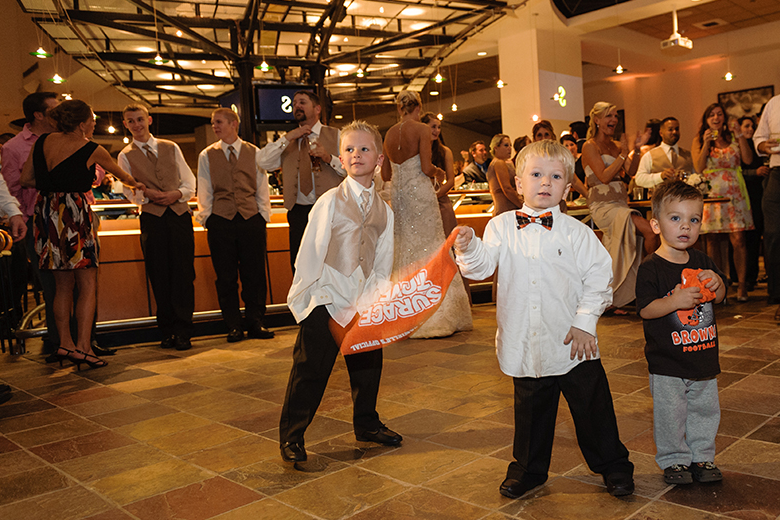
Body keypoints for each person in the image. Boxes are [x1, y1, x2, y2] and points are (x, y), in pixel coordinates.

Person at [454, 140, 634, 499]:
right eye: (536, 174)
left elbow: (600, 276)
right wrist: (467, 246)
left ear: (567, 188)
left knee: (592, 408)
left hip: (573, 341)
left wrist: (585, 322)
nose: (545, 182)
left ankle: (613, 465)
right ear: (519, 183)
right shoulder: (501, 226)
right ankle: (528, 470)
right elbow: (481, 268)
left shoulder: (577, 232)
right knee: (531, 411)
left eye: (555, 177)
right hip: (527, 339)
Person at [279, 120, 401, 463]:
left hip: (362, 301)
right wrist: (305, 298)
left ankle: (367, 423)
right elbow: (310, 252)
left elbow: (383, 259)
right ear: (341, 159)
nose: (356, 155)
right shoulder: (330, 202)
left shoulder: (385, 211)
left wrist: (376, 300)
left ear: (378, 159)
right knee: (310, 370)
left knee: (367, 367)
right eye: (349, 149)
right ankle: (292, 435)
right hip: (327, 296)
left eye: (364, 149)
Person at [20, 99, 143, 369]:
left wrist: (53, 185)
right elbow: (124, 176)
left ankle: (64, 344)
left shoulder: (41, 142)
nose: (94, 122)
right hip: (74, 214)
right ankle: (84, 348)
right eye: (92, 118)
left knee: (61, 287)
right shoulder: (92, 148)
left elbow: (26, 179)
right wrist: (142, 184)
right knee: (87, 285)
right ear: (81, 122)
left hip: (46, 213)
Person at [636, 180, 726, 485]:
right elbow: (646, 309)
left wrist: (717, 283)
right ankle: (674, 459)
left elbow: (721, 296)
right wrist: (674, 301)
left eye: (693, 219)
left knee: (704, 410)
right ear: (656, 224)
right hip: (667, 362)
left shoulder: (703, 262)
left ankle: (702, 456)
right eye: (675, 218)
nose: (685, 226)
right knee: (670, 414)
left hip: (702, 356)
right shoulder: (651, 267)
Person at [381, 90, 472, 338]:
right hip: (420, 195)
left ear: (399, 107)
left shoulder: (388, 133)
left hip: (399, 198)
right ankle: (436, 314)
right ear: (418, 106)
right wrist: (439, 173)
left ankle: (403, 315)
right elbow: (425, 166)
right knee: (431, 248)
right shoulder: (421, 129)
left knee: (404, 250)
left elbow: (385, 175)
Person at [119, 104, 196, 351]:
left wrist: (177, 193)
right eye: (131, 121)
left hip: (180, 215)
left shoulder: (170, 147)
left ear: (149, 120)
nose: (137, 125)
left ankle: (184, 331)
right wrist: (147, 196)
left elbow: (189, 181)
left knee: (184, 274)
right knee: (159, 274)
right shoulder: (125, 155)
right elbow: (128, 191)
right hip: (152, 218)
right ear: (126, 125)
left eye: (140, 119)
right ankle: (167, 331)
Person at [197, 108, 274, 343]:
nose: (215, 127)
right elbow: (204, 187)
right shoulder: (206, 155)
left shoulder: (255, 152)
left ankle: (256, 322)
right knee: (226, 277)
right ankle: (232, 325)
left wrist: (263, 216)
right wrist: (207, 218)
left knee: (255, 274)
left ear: (233, 124)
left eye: (218, 122)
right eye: (213, 123)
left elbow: (262, 186)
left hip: (251, 219)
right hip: (221, 220)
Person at [252, 91, 345, 269]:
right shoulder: (288, 141)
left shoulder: (337, 135)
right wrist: (288, 137)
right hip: (298, 213)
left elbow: (351, 170)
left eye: (302, 102)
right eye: (294, 103)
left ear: (317, 109)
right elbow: (262, 161)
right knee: (300, 267)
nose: (297, 106)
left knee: (331, 266)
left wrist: (328, 158)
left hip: (330, 212)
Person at [582, 101, 657, 310]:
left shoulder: (615, 146)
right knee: (650, 231)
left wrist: (636, 150)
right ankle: (650, 283)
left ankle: (629, 291)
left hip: (621, 203)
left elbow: (630, 172)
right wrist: (624, 153)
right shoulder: (589, 146)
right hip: (603, 206)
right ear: (597, 120)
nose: (613, 120)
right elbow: (604, 176)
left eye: (615, 116)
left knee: (641, 237)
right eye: (608, 116)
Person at [1, 92, 58, 349]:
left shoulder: (65, 138)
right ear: (38, 114)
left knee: (79, 281)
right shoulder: (14, 147)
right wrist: (20, 217)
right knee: (50, 284)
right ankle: (56, 339)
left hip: (70, 219)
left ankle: (83, 339)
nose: (59, 114)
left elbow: (97, 171)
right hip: (37, 221)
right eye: (54, 109)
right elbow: (11, 187)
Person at [691, 103, 754, 302]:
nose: (716, 118)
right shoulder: (699, 140)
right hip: (712, 194)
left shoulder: (735, 137)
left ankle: (742, 286)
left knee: (738, 240)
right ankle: (716, 285)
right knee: (712, 240)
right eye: (711, 115)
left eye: (719, 114)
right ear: (706, 119)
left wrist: (741, 136)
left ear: (724, 118)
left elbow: (748, 160)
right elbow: (699, 167)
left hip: (735, 194)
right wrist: (706, 143)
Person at [753, 94, 780, 320]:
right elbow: (759, 137)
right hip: (777, 172)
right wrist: (763, 145)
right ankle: (777, 291)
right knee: (773, 233)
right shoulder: (774, 103)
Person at [738, 116, 769, 292]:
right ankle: (744, 277)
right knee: (746, 237)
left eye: (753, 126)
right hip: (744, 193)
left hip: (758, 194)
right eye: (747, 126)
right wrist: (754, 172)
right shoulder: (739, 146)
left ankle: (754, 275)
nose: (750, 129)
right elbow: (736, 171)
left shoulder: (758, 147)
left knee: (757, 235)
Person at [420, 112, 457, 236]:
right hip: (420, 203)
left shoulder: (445, 151)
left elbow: (451, 181)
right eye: (433, 127)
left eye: (439, 127)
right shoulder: (415, 152)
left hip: (441, 202)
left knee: (446, 243)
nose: (437, 130)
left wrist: (435, 196)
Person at [635, 117, 692, 188]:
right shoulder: (649, 155)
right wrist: (660, 176)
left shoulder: (688, 155)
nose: (674, 132)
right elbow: (639, 180)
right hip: (660, 197)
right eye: (670, 129)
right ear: (661, 133)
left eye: (676, 129)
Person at [487, 133, 522, 216]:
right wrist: (521, 205)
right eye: (506, 145)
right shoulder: (499, 163)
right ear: (496, 148)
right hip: (506, 209)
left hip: (503, 209)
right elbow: (507, 188)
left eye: (510, 145)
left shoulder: (500, 163)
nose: (509, 148)